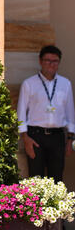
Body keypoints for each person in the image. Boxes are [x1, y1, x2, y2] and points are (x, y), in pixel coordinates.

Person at [17, 45, 75, 183]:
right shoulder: (29, 84)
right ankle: (35, 205)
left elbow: (70, 113)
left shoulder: (65, 84)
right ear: (40, 61)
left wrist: (70, 139)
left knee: (57, 178)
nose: (51, 64)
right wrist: (25, 139)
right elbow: (21, 114)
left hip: (57, 137)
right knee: (35, 178)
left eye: (55, 61)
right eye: (47, 60)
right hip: (35, 137)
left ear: (59, 62)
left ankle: (55, 205)